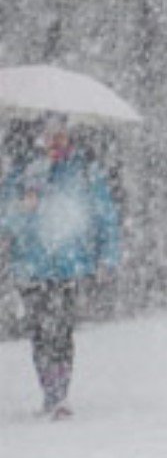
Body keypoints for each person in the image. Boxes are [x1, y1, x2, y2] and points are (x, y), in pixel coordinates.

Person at [0, 114, 123, 419]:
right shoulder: (22, 173)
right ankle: (50, 391)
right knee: (40, 331)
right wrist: (23, 208)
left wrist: (108, 257)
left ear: (70, 137)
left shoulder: (84, 171)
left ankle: (60, 395)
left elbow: (105, 217)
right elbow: (5, 223)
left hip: (70, 266)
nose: (55, 142)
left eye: (61, 135)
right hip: (31, 266)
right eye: (49, 135)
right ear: (38, 137)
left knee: (61, 329)